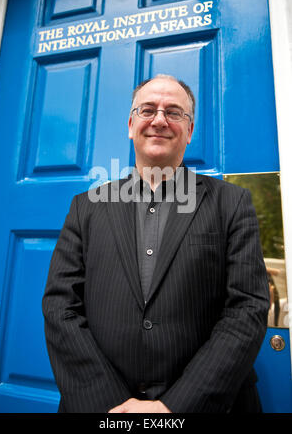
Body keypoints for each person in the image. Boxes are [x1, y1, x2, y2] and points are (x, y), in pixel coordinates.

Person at [42, 74, 270, 413]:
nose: (159, 119)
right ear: (131, 125)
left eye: (174, 112)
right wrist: (109, 403)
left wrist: (173, 408)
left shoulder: (231, 203)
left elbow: (247, 308)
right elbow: (61, 307)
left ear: (189, 131)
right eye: (147, 109)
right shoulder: (86, 206)